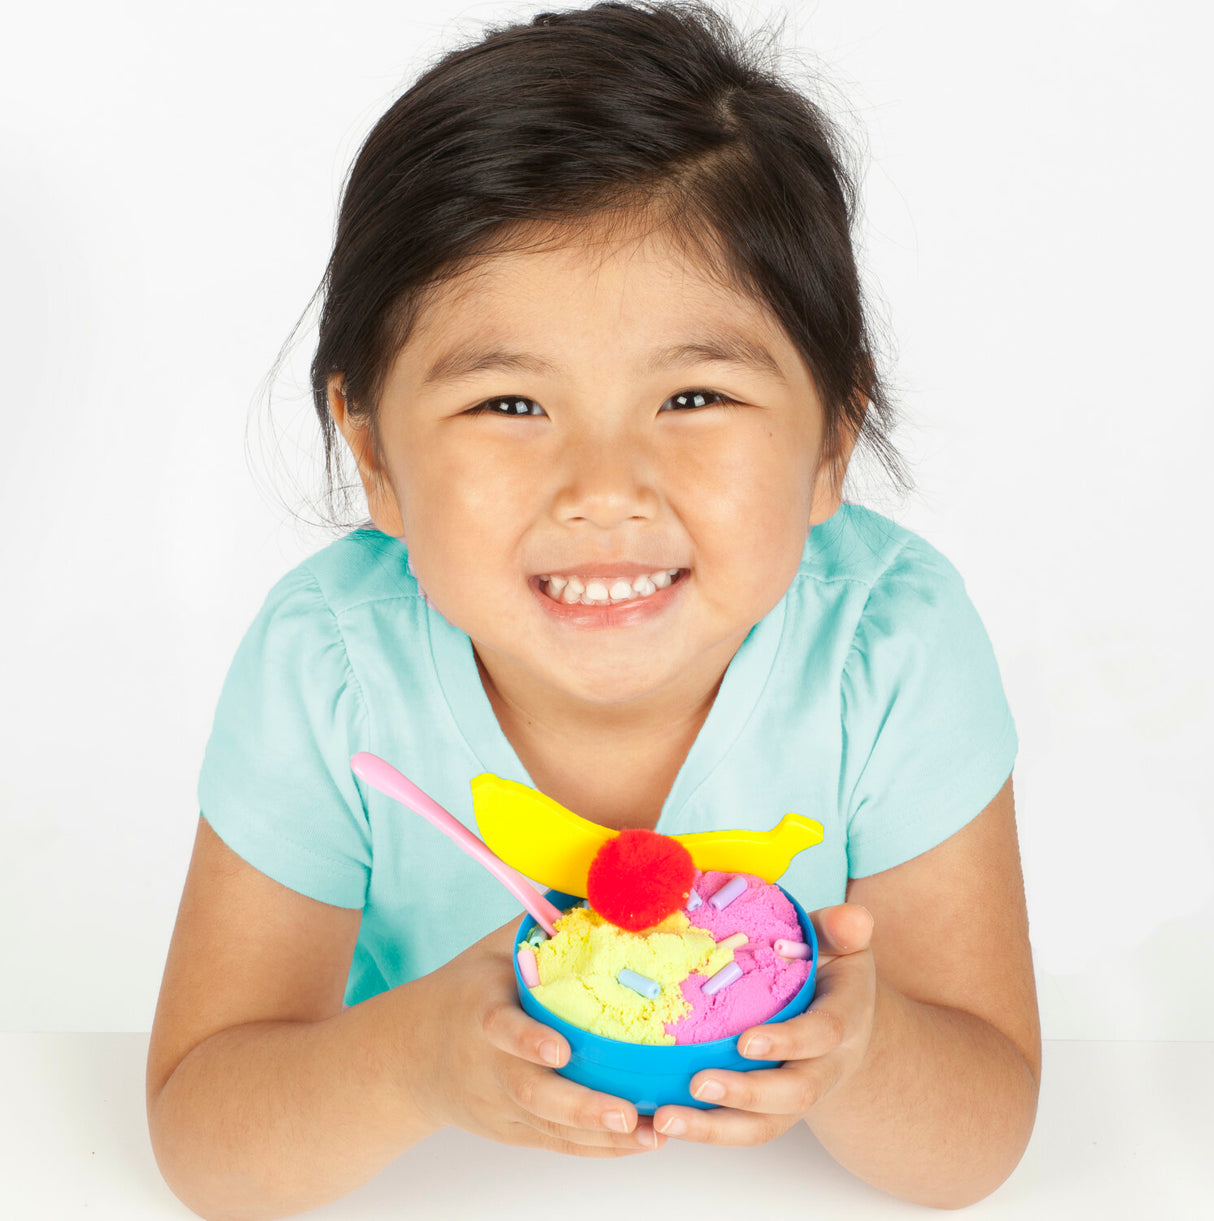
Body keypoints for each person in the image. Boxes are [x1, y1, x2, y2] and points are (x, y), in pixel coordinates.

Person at [146, 2, 1040, 1217]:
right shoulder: (333, 665)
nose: (605, 490)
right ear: (371, 452)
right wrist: (414, 1063)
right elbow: (207, 1139)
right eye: (510, 405)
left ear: (832, 439)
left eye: (694, 395)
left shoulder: (886, 646)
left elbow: (976, 1142)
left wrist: (862, 1054)